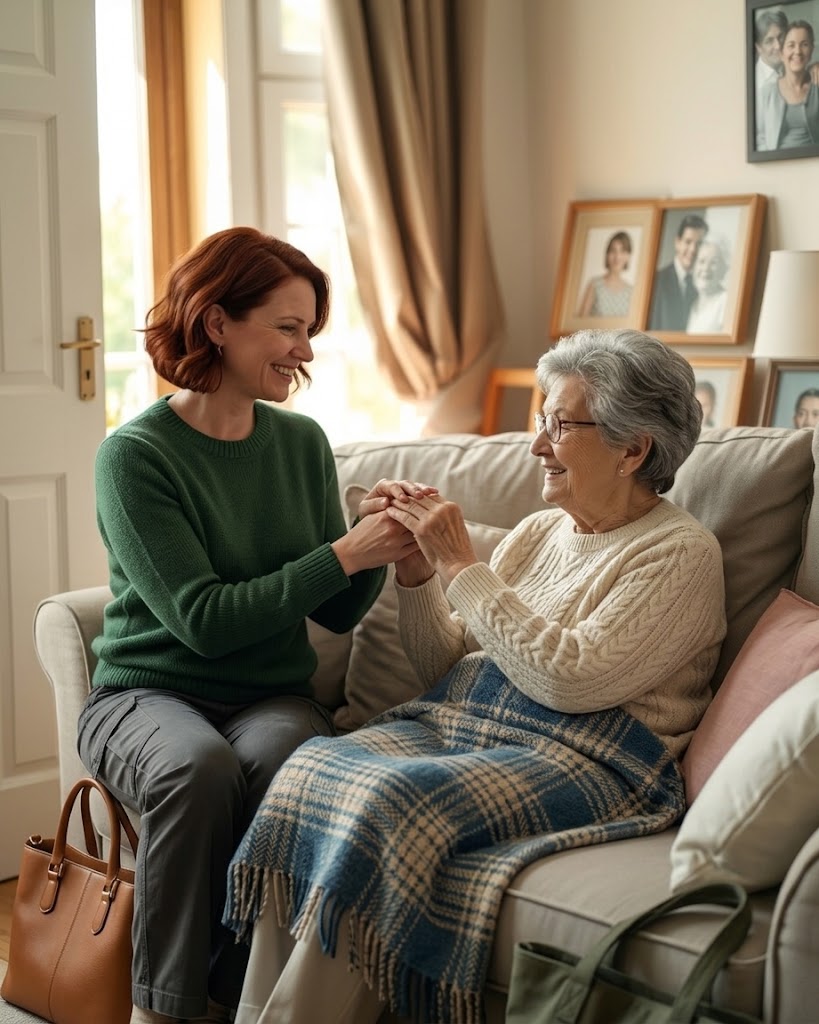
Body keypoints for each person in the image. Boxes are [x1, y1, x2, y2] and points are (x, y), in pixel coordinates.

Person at [224, 329, 727, 1024]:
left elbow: (569, 681)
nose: (536, 445)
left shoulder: (680, 554)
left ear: (632, 449)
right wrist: (417, 574)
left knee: (392, 798)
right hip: (474, 727)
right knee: (314, 765)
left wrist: (464, 567)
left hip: (594, 758)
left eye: (559, 425)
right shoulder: (537, 534)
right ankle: (254, 1011)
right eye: (539, 421)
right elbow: (444, 667)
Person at [75, 226, 428, 1024]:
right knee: (196, 768)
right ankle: (160, 1010)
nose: (303, 352)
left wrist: (373, 546)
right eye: (288, 328)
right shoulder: (134, 457)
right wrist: (341, 553)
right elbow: (200, 621)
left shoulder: (301, 444)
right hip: (145, 695)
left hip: (271, 696)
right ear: (215, 323)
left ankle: (242, 1001)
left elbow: (333, 610)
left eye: (309, 332)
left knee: (289, 758)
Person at [758, 19, 819, 150]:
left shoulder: (817, 85)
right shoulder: (767, 91)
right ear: (781, 53)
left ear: (812, 50)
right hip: (778, 166)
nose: (798, 51)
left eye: (804, 44)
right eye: (791, 45)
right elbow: (760, 138)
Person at [648, 214, 708, 331]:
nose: (693, 249)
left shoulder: (703, 284)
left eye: (699, 243)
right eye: (688, 242)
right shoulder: (657, 280)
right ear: (677, 242)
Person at [576, 230, 634, 317]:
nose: (617, 257)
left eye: (622, 251)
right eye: (613, 251)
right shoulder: (594, 284)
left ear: (628, 256)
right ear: (607, 254)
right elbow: (580, 321)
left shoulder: (631, 291)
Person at [754, 7, 788, 148]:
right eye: (769, 41)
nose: (778, 46)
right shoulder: (755, 84)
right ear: (759, 47)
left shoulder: (793, 71)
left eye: (781, 37)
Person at [686, 240, 730, 334]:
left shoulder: (726, 301)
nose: (706, 268)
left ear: (723, 269)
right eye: (701, 261)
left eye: (713, 262)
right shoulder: (693, 305)